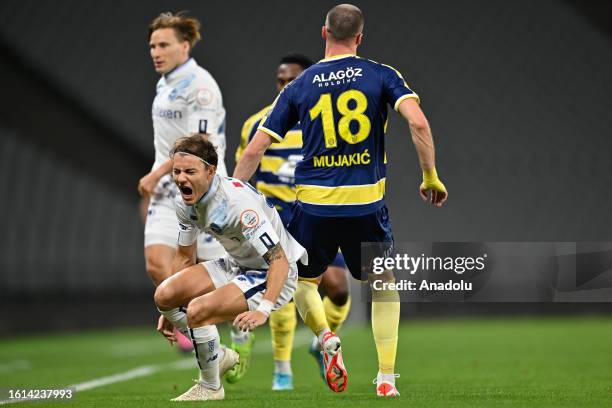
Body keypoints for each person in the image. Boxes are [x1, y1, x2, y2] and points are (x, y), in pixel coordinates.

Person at [234, 4, 448, 397]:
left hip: (313, 206)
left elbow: (255, 149)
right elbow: (417, 121)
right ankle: (386, 378)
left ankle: (325, 336)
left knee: (301, 282)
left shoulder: (302, 83)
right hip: (366, 204)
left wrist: (230, 195)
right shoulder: (381, 74)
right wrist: (430, 176)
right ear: (360, 38)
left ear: (324, 33)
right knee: (384, 285)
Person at [155, 135, 307, 401]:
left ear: (211, 171)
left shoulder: (237, 204)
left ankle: (211, 386)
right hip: (237, 264)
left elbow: (279, 259)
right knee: (164, 296)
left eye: (190, 171)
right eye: (177, 171)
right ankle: (219, 355)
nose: (180, 179)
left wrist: (264, 309)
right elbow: (184, 255)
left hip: (272, 273)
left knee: (197, 311)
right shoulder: (184, 203)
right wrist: (171, 307)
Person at [139, 12, 253, 356]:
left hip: (203, 189)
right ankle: (212, 347)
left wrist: (156, 173)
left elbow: (199, 146)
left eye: (164, 45)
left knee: (221, 275)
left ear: (184, 46)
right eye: (152, 46)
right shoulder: (166, 84)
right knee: (157, 265)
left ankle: (239, 333)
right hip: (166, 186)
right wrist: (161, 176)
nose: (156, 52)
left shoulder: (200, 87)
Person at [235, 54, 351, 391]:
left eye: (293, 81)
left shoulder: (325, 121)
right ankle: (282, 370)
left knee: (340, 287)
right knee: (284, 288)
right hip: (277, 217)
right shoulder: (257, 123)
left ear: (308, 82)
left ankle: (321, 343)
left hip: (317, 213)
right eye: (280, 81)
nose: (285, 87)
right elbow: (246, 167)